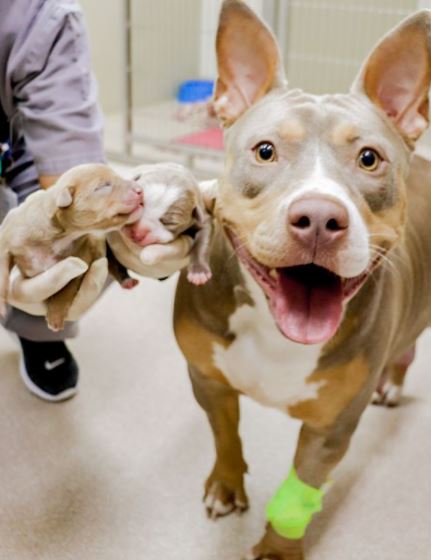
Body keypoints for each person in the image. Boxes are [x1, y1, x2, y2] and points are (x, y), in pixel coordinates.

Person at [0, 0, 191, 403]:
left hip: (12, 143)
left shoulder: (42, 16)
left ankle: (39, 332)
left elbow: (65, 186)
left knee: (81, 248)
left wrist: (123, 243)